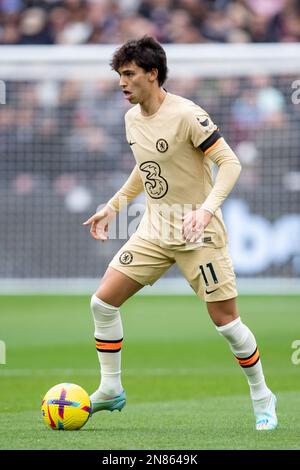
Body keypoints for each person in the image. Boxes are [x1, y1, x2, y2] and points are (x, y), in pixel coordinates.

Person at [83, 36, 277, 431]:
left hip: (199, 232)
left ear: (152, 74)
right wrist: (113, 205)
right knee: (102, 303)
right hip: (155, 228)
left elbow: (231, 163)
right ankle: (110, 388)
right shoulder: (131, 118)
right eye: (120, 75)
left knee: (226, 323)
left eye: (129, 74)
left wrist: (206, 211)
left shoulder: (188, 114)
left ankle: (262, 396)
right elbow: (145, 166)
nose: (122, 82)